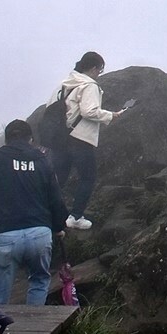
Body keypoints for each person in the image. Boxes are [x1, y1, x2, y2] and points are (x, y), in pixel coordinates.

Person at [0, 119, 68, 306]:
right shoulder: (43, 162)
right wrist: (58, 226)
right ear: (30, 139)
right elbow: (56, 199)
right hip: (40, 233)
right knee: (39, 281)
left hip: (5, 235)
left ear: (6, 140)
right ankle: (35, 328)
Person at [47, 51, 124, 230]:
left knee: (59, 178)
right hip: (79, 139)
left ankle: (48, 212)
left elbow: (49, 108)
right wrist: (110, 115)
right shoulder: (89, 85)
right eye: (100, 70)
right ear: (93, 68)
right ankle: (75, 216)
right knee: (87, 177)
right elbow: (89, 111)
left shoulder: (63, 84)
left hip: (59, 139)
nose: (99, 74)